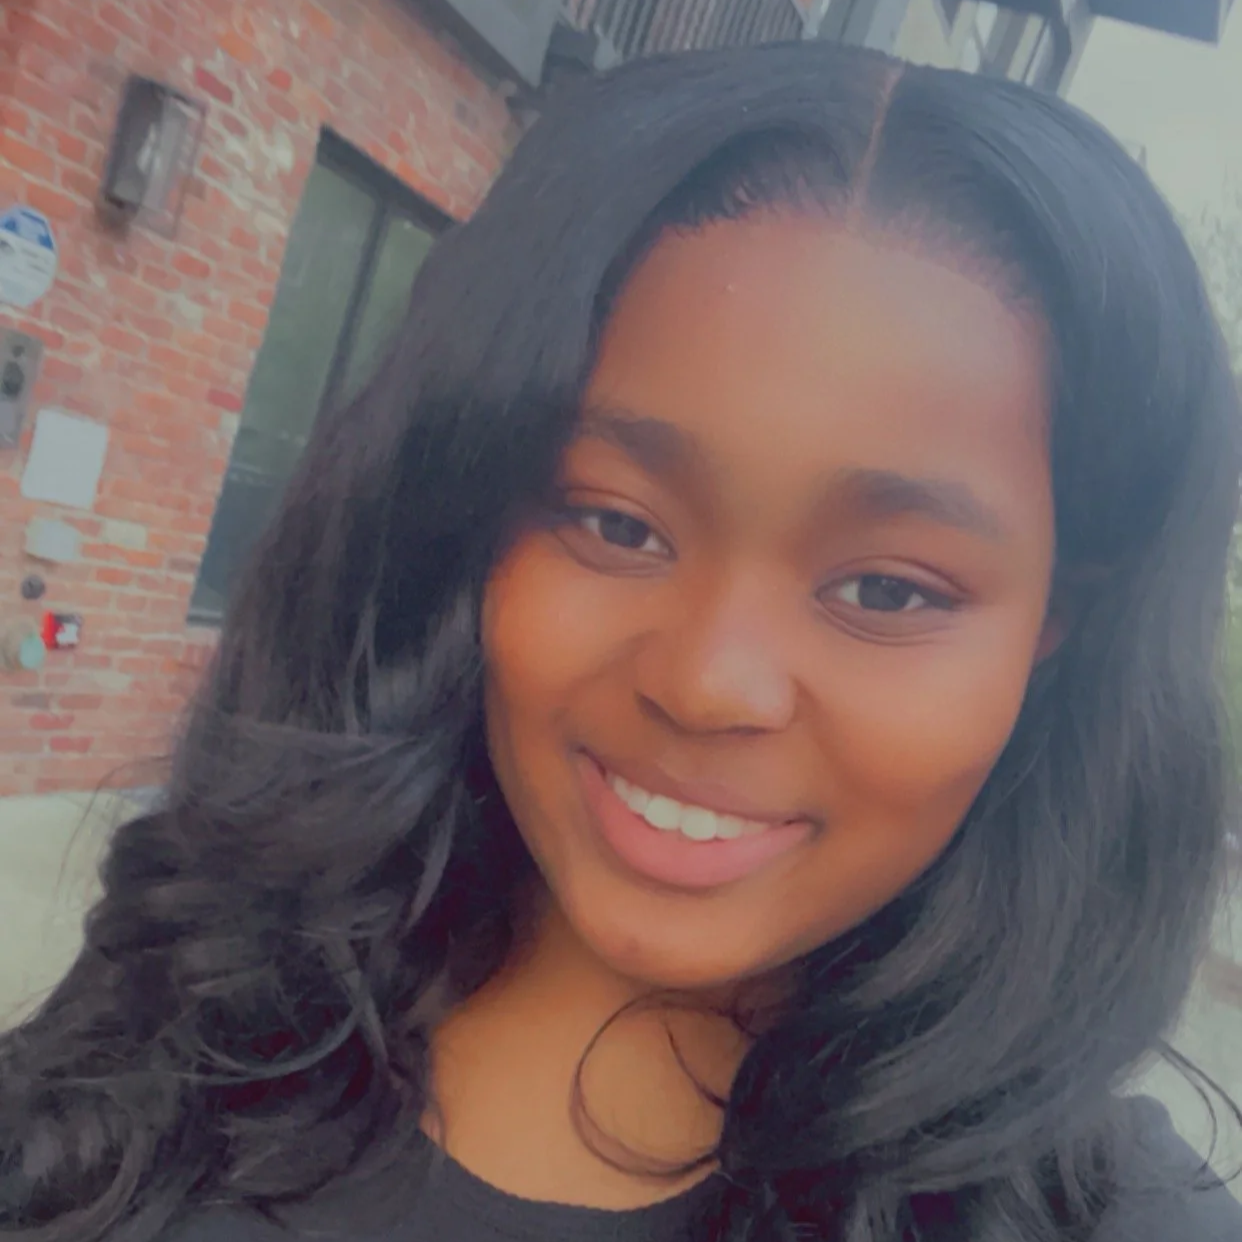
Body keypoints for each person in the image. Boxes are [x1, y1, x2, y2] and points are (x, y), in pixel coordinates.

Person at [2, 39, 1240, 1242]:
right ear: (456, 518)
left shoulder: (1114, 1219)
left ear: (1058, 629)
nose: (707, 684)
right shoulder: (196, 1003)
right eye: (615, 523)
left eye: (887, 590)